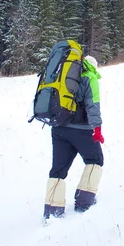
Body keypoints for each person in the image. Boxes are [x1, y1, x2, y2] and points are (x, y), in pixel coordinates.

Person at [44, 55, 104, 218]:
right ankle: (84, 202)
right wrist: (97, 128)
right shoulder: (89, 77)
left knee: (58, 168)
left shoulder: (61, 73)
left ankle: (52, 210)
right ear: (93, 66)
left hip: (58, 128)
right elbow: (93, 105)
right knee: (95, 160)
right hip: (80, 129)